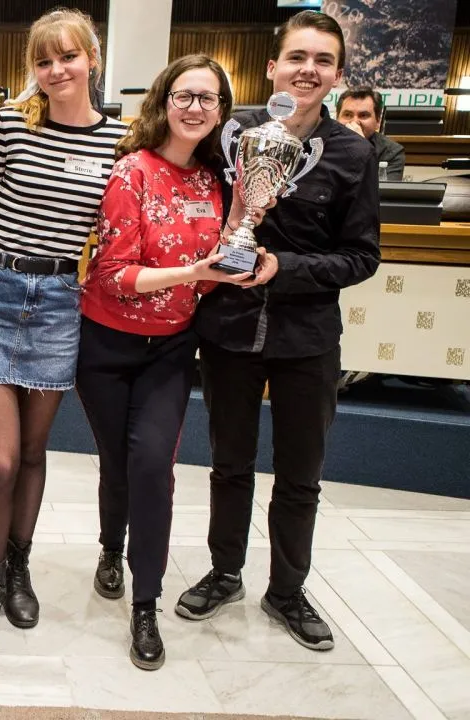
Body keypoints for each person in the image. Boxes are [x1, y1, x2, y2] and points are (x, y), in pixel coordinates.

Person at [176, 10, 381, 653]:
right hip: (230, 329)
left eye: (323, 61)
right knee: (229, 465)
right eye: (297, 57)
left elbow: (361, 256)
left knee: (301, 474)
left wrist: (281, 267)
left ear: (338, 76)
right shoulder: (227, 134)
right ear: (273, 68)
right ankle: (225, 572)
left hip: (308, 336)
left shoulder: (353, 153)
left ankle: (287, 589)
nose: (308, 69)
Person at [78, 54, 277, 671]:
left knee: (152, 465)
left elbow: (220, 265)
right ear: (165, 101)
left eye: (209, 99)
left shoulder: (218, 182)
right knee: (118, 460)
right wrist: (194, 273)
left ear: (222, 111)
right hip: (107, 345)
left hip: (170, 347)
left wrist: (248, 252)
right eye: (185, 95)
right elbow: (113, 276)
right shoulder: (131, 172)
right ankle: (112, 547)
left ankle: (145, 603)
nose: (196, 108)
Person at [0, 8, 128, 631]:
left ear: (92, 59)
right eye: (43, 61)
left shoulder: (119, 140)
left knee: (31, 453)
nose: (56, 70)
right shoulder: (9, 127)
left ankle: (17, 566)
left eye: (68, 56)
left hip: (55, 301)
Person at [335, 86, 405, 181]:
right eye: (347, 115)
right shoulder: (321, 144)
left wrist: (361, 148)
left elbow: (383, 193)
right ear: (337, 118)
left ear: (378, 122)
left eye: (363, 115)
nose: (354, 122)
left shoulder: (391, 152)